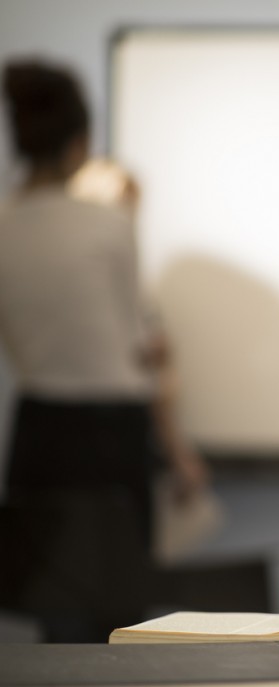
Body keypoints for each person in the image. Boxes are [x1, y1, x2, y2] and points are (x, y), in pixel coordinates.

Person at [0, 59, 206, 639]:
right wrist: (178, 450)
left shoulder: (3, 225)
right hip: (112, 436)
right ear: (81, 140)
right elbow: (144, 351)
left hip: (38, 432)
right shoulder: (108, 225)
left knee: (51, 610)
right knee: (119, 620)